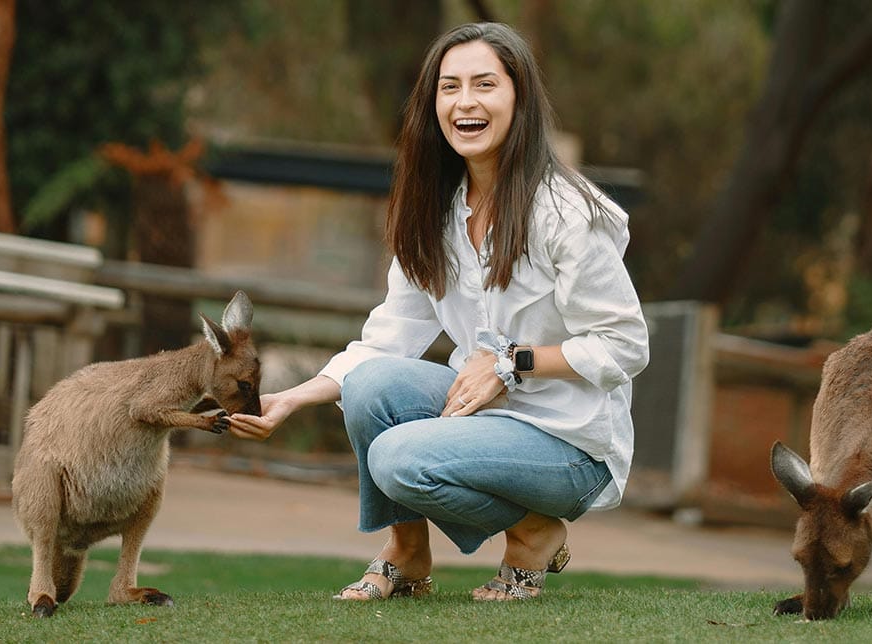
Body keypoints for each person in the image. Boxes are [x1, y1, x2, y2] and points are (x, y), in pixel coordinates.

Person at [227, 21, 649, 602]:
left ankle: (531, 534)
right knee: (372, 386)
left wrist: (511, 363)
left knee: (397, 458)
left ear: (519, 99)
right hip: (486, 417)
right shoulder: (436, 213)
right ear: (432, 105)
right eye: (449, 87)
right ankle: (408, 550)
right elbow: (388, 338)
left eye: (485, 85)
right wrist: (293, 398)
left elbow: (626, 344)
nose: (465, 102)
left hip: (571, 444)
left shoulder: (565, 212)